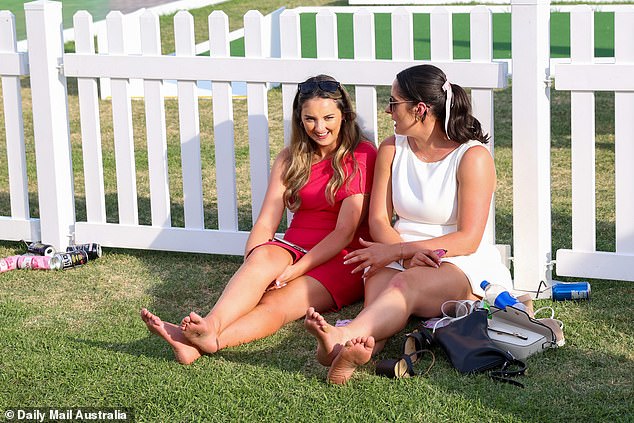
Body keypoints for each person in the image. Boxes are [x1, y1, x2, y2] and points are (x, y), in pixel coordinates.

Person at [141, 75, 377, 364]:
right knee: (263, 257)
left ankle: (211, 341)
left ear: (345, 115)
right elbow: (266, 222)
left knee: (276, 303)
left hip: (342, 256)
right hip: (295, 245)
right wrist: (253, 264)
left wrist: (294, 271)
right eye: (310, 119)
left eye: (328, 117)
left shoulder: (362, 154)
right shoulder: (290, 157)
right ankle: (210, 329)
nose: (320, 127)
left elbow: (344, 233)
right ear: (299, 120)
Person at [304, 64, 512, 384]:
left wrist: (402, 252)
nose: (388, 111)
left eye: (394, 103)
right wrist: (401, 255)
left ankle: (340, 337)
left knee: (404, 285)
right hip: (398, 252)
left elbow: (468, 239)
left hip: (459, 262)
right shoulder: (391, 148)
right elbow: (378, 220)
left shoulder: (473, 157)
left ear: (420, 109)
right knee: (379, 289)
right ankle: (355, 353)